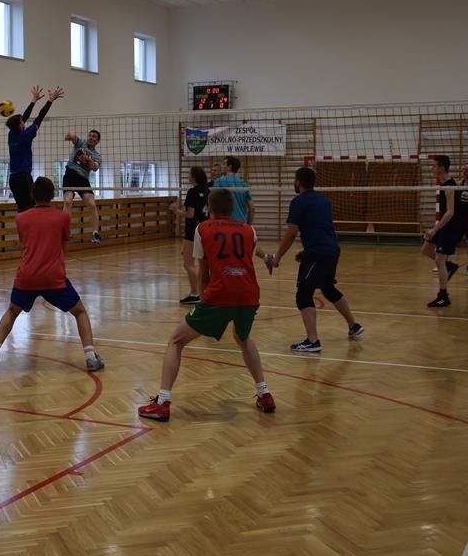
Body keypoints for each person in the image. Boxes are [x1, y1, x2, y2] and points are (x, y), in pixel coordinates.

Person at [138, 188, 276, 422]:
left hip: (220, 294)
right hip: (249, 295)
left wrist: (203, 300)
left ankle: (162, 402)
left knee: (176, 341)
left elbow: (203, 271)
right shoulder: (248, 230)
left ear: (209, 208)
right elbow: (247, 258)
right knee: (243, 339)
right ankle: (265, 394)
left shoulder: (203, 229)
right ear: (232, 208)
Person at [0, 177, 104, 372]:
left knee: (12, 311)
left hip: (27, 276)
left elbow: (26, 245)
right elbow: (64, 248)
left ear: (32, 195)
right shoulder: (62, 218)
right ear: (53, 195)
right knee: (80, 312)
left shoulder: (21, 218)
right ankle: (91, 357)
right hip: (53, 277)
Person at [270, 167, 363, 353]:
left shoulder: (299, 201)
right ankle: (354, 325)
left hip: (318, 253)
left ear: (298, 182)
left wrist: (277, 257)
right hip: (331, 250)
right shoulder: (323, 200)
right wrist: (307, 252)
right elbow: (320, 228)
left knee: (303, 294)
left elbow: (291, 233)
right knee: (328, 288)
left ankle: (313, 341)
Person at [7, 86, 64, 212]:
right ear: (19, 125)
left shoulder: (11, 134)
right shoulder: (26, 135)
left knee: (23, 209)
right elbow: (40, 117)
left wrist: (33, 101)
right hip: (23, 178)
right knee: (30, 209)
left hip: (13, 179)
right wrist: (50, 101)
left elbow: (24, 117)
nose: (24, 122)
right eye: (22, 122)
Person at [422, 155, 460, 307]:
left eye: (434, 166)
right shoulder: (441, 183)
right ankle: (450, 266)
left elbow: (450, 212)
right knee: (425, 250)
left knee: (439, 260)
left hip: (450, 227)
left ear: (442, 168)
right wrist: (434, 227)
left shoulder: (450, 186)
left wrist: (435, 229)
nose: (431, 168)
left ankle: (443, 296)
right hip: (441, 226)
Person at [170, 166, 209, 304]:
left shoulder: (192, 191)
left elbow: (190, 214)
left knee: (188, 264)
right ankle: (203, 293)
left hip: (193, 231)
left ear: (193, 177)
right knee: (202, 265)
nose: (188, 177)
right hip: (206, 229)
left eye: (189, 174)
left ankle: (195, 294)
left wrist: (176, 210)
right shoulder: (208, 190)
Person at [62, 128, 102, 243]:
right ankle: (65, 231)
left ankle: (95, 233)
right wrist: (70, 135)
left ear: (97, 141)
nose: (91, 138)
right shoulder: (81, 144)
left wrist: (88, 159)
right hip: (70, 175)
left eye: (94, 136)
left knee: (92, 204)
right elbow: (74, 138)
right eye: (90, 135)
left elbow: (95, 167)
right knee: (68, 201)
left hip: (83, 179)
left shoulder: (97, 155)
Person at [212, 156, 254, 224]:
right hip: (241, 224)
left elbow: (214, 206)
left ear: (229, 167)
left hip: (225, 224)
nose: (221, 166)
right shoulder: (243, 184)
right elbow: (252, 207)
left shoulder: (218, 182)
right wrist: (248, 224)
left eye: (223, 164)